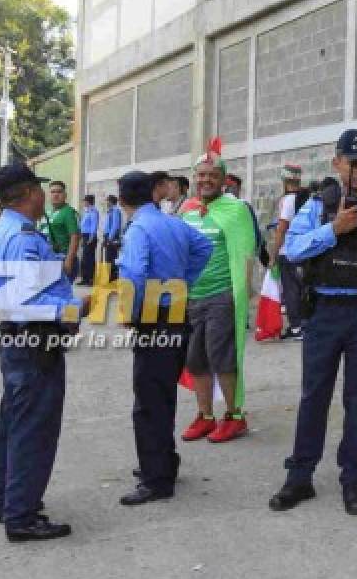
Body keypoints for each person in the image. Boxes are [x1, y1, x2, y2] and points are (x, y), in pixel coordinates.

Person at [269, 129, 357, 517]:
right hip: (324, 312)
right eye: (353, 163)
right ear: (337, 163)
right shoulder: (318, 205)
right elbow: (291, 249)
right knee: (313, 395)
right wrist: (333, 230)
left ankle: (354, 480)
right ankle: (300, 476)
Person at [0, 163, 89, 541]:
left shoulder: (8, 230)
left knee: (13, 426)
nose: (44, 196)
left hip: (21, 342)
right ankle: (22, 516)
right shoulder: (23, 237)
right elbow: (25, 302)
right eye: (40, 190)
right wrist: (76, 310)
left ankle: (7, 500)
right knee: (33, 431)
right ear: (30, 192)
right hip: (34, 342)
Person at [116, 171, 213, 505]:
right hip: (177, 316)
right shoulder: (171, 222)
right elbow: (204, 247)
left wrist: (131, 311)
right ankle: (164, 461)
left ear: (123, 199)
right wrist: (182, 282)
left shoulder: (139, 229)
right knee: (163, 395)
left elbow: (134, 275)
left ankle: (156, 479)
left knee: (148, 401)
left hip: (154, 321)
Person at [180, 157, 257, 445]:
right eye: (201, 175)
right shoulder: (186, 210)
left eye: (212, 175)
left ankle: (235, 417)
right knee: (195, 359)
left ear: (224, 180)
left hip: (223, 294)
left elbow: (247, 250)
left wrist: (243, 293)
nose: (206, 180)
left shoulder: (235, 210)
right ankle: (205, 415)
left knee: (222, 357)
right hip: (193, 297)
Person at [272, 164, 309, 340]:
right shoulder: (307, 198)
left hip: (288, 251)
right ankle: (304, 323)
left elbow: (282, 228)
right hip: (304, 250)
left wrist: (273, 253)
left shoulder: (288, 200)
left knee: (290, 291)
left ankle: (296, 327)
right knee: (302, 288)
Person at [40, 180, 80, 280]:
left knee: (62, 293)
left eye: (59, 192)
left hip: (63, 259)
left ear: (65, 195)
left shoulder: (68, 212)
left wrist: (69, 261)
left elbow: (75, 237)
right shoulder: (47, 212)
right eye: (52, 192)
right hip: (49, 259)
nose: (55, 195)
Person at [78, 194, 99, 285]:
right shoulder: (86, 211)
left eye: (85, 201)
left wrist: (91, 237)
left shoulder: (93, 212)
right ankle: (84, 278)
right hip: (85, 236)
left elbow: (94, 226)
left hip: (90, 236)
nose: (83, 203)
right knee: (84, 258)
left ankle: (90, 279)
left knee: (89, 258)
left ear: (88, 201)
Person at [101, 194, 123, 280]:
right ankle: (109, 278)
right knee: (108, 258)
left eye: (107, 201)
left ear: (111, 201)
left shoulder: (115, 211)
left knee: (111, 258)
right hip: (107, 235)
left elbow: (115, 225)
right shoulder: (110, 211)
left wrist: (110, 238)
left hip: (112, 236)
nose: (106, 202)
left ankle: (113, 278)